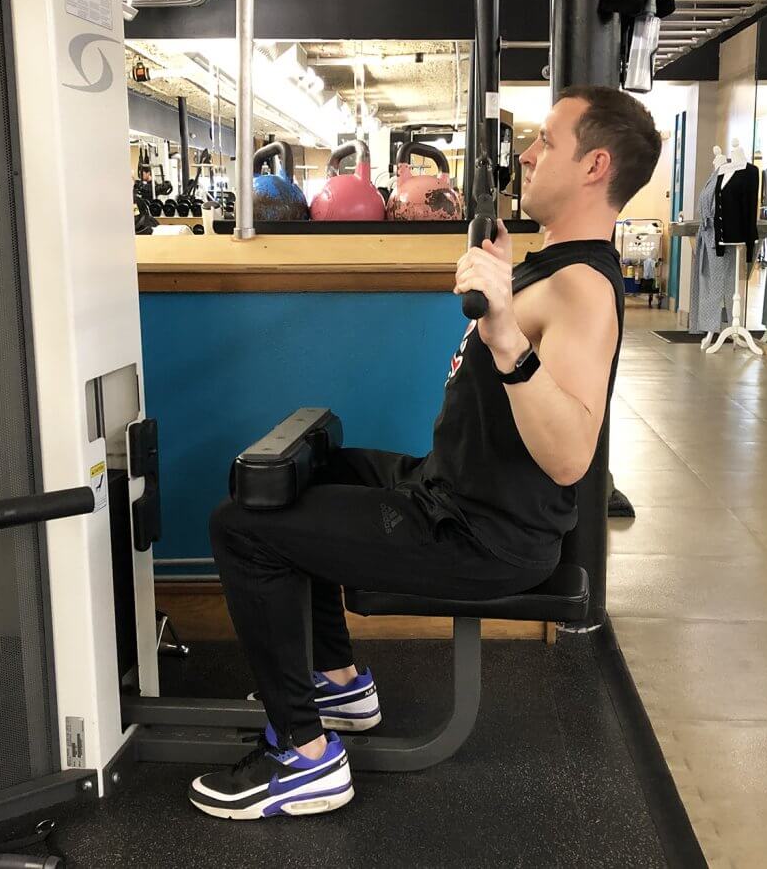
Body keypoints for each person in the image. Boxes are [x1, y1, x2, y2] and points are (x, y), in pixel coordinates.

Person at [189, 86, 662, 821]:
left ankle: (303, 759)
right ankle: (335, 683)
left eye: (548, 141)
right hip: (447, 492)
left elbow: (571, 457)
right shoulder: (555, 261)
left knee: (240, 528)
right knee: (284, 478)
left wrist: (506, 338)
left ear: (596, 164)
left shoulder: (582, 290)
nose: (529, 154)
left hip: (481, 536)